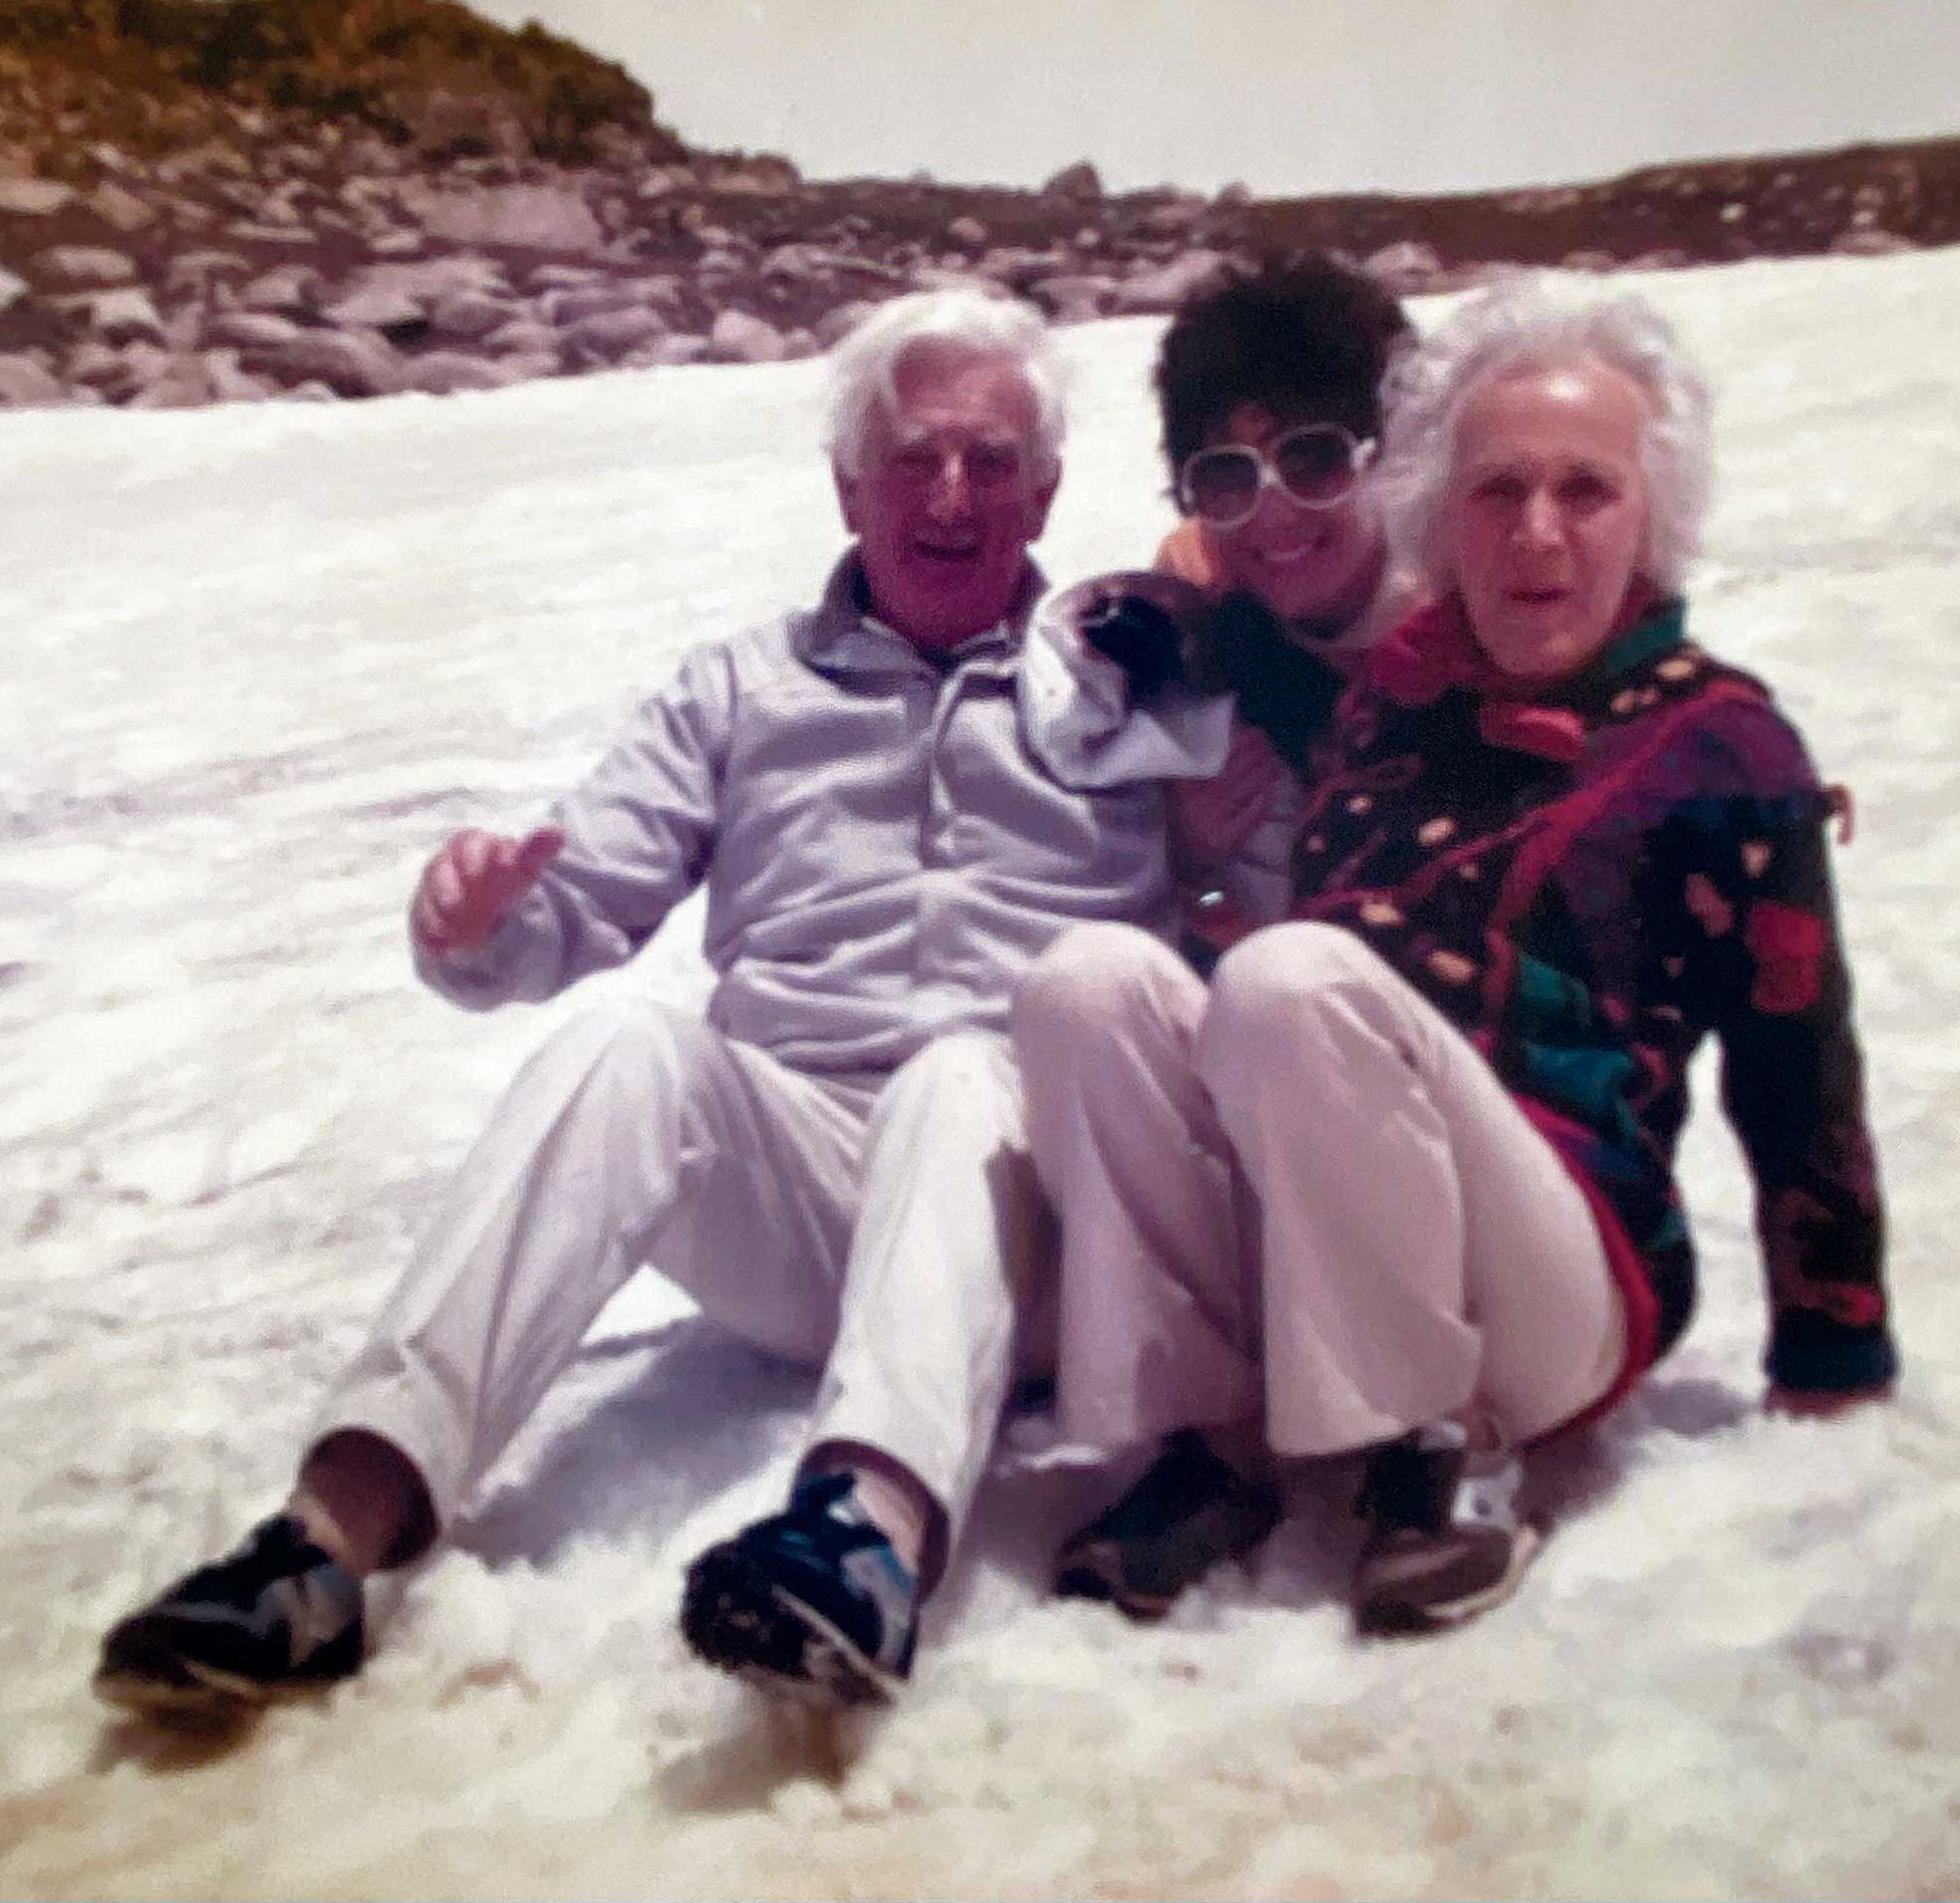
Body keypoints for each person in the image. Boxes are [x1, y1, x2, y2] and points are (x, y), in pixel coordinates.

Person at [93, 289, 1195, 1718]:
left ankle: (869, 1536)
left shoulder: (1130, 672)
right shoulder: (742, 686)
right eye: (915, 458)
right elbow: (577, 902)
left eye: (992, 462)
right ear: (847, 482)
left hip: (1039, 1216)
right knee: (627, 1038)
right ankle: (325, 1542)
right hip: (804, 1196)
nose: (951, 494)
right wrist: (484, 918)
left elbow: (1271, 878)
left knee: (962, 1074)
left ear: (1044, 487)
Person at [1011, 278, 1896, 1633]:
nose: (1535, 534)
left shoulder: (1722, 744)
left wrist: (1832, 1344)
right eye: (1494, 493)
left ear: (1653, 515)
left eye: (1584, 491)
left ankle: (1446, 1446)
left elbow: (1798, 1063)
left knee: (1293, 974)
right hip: (1352, 1226)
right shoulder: (1394, 696)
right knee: (1089, 983)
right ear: (1439, 508)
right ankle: (1210, 1437)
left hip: (1560, 1274)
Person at [1070, 254, 1416, 949]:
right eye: (1227, 474)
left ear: (1394, 453)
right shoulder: (1202, 639)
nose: (1272, 510)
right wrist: (1188, 857)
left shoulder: (1483, 629)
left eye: (1313, 458)